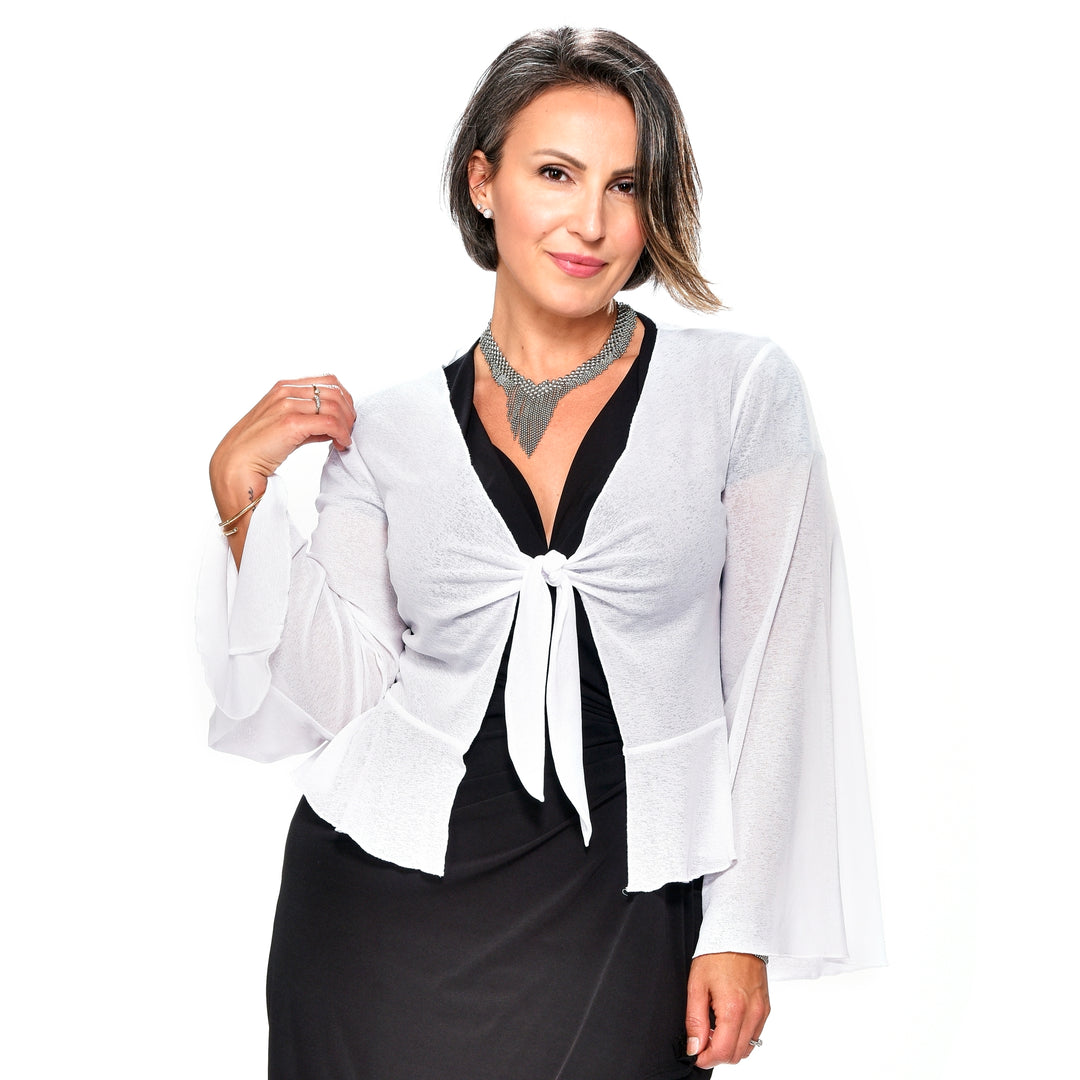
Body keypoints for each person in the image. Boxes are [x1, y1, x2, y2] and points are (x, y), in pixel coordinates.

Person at [197, 26, 885, 1079]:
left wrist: (738, 926)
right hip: (377, 922)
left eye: (627, 186)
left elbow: (773, 676)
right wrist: (243, 502)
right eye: (555, 174)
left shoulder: (740, 393)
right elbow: (343, 696)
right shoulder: (387, 431)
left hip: (629, 908)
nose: (591, 222)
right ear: (484, 183)